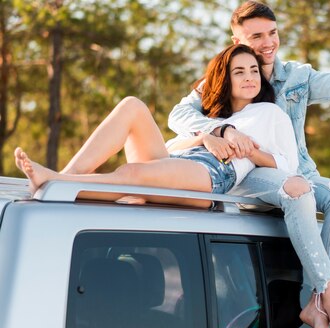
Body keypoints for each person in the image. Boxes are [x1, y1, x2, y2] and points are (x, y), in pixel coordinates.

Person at [166, 1, 330, 328]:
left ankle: (317, 300)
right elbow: (178, 116)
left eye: (272, 33)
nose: (268, 42)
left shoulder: (296, 76)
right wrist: (220, 132)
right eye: (256, 36)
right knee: (296, 189)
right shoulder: (226, 72)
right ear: (236, 39)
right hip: (246, 173)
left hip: (290, 167)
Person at [14, 44, 297, 210]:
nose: (249, 77)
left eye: (253, 70)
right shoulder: (212, 118)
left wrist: (250, 151)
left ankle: (57, 184)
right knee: (132, 105)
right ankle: (65, 176)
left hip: (212, 174)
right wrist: (207, 137)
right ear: (225, 79)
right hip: (180, 162)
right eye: (239, 71)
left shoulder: (270, 113)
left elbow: (290, 169)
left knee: (134, 172)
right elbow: (172, 147)